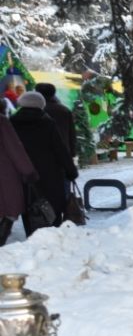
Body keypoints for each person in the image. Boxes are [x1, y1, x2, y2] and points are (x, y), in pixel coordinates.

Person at [10, 90, 78, 234]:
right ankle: (52, 237)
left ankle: (32, 237)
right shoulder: (47, 123)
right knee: (52, 211)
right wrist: (70, 170)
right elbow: (60, 150)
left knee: (30, 210)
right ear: (41, 105)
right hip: (50, 175)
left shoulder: (12, 122)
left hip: (24, 176)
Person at [0, 113, 37, 245]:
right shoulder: (2, 121)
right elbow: (15, 148)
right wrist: (28, 170)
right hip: (4, 175)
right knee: (9, 211)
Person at [36, 83, 77, 157]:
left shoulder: (36, 111)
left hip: (41, 154)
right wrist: (72, 152)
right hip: (63, 152)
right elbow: (71, 133)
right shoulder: (65, 110)